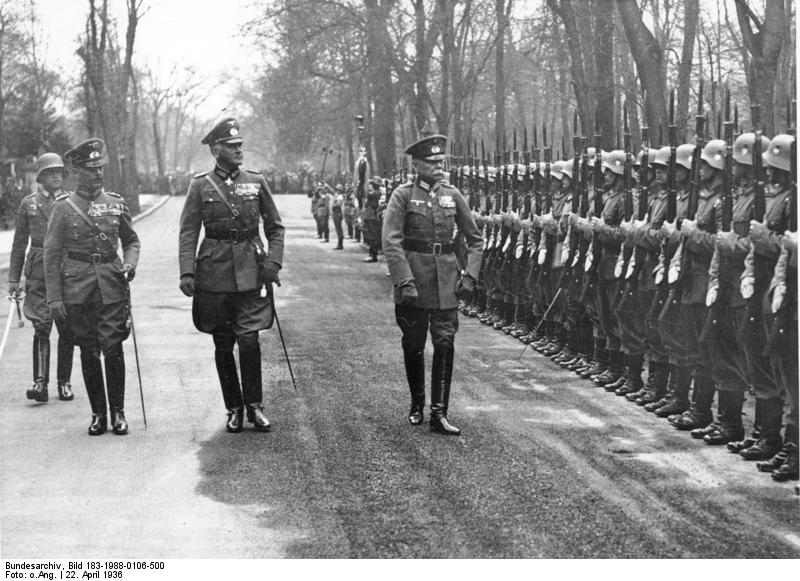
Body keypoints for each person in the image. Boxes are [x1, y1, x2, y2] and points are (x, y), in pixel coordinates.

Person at [178, 117, 285, 433]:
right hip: (214, 274)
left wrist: (273, 263)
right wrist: (187, 272)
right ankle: (234, 408)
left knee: (249, 340)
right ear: (215, 150)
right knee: (223, 344)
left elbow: (275, 227)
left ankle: (255, 405)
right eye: (231, 146)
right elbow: (187, 232)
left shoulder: (256, 181)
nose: (238, 151)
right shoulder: (200, 185)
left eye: (240, 146)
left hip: (252, 271)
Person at [382, 133, 483, 435]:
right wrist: (404, 280)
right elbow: (391, 241)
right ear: (417, 165)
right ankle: (417, 402)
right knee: (413, 345)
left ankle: (439, 413)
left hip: (446, 284)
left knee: (444, 342)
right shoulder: (402, 195)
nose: (439, 167)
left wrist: (470, 275)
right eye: (432, 162)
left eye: (441, 162)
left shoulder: (452, 195)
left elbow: (475, 239)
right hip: (414, 282)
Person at [43, 139, 140, 436]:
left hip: (111, 285)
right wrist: (55, 298)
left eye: (100, 168)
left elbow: (131, 240)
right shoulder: (62, 209)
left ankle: (118, 413)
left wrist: (130, 264)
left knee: (113, 349)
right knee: (88, 349)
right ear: (77, 171)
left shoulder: (114, 203)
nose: (98, 174)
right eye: (91, 169)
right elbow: (50, 255)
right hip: (77, 288)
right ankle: (98, 413)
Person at [8, 153, 76, 403]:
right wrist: (13, 279)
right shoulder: (29, 204)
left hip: (65, 268)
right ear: (42, 177)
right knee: (41, 326)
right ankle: (40, 383)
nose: (56, 176)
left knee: (66, 327)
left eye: (59, 172)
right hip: (37, 270)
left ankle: (64, 382)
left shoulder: (72, 202)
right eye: (50, 173)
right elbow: (18, 245)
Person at [362, 177, 382, 262]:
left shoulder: (375, 193)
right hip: (370, 214)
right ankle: (372, 254)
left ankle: (373, 255)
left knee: (373, 236)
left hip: (372, 215)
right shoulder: (376, 193)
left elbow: (365, 193)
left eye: (371, 184)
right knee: (371, 235)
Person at [331, 183, 345, 249]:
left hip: (337, 212)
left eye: (338, 190)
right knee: (338, 229)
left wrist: (333, 204)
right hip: (336, 212)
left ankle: (340, 244)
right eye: (337, 189)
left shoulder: (340, 196)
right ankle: (340, 244)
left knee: (339, 229)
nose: (337, 191)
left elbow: (339, 204)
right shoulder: (337, 195)